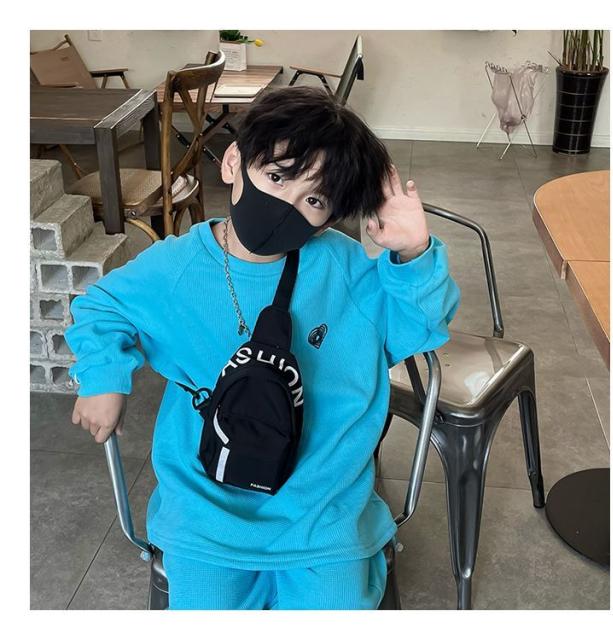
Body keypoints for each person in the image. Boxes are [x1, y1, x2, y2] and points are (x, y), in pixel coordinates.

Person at [65, 85, 461, 610]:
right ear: (233, 162)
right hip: (206, 509)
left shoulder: (342, 267)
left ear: (330, 216)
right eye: (276, 177)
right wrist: (102, 378)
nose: (285, 206)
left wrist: (413, 252)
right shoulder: (175, 267)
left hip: (322, 507)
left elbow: (423, 322)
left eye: (314, 200)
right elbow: (101, 305)